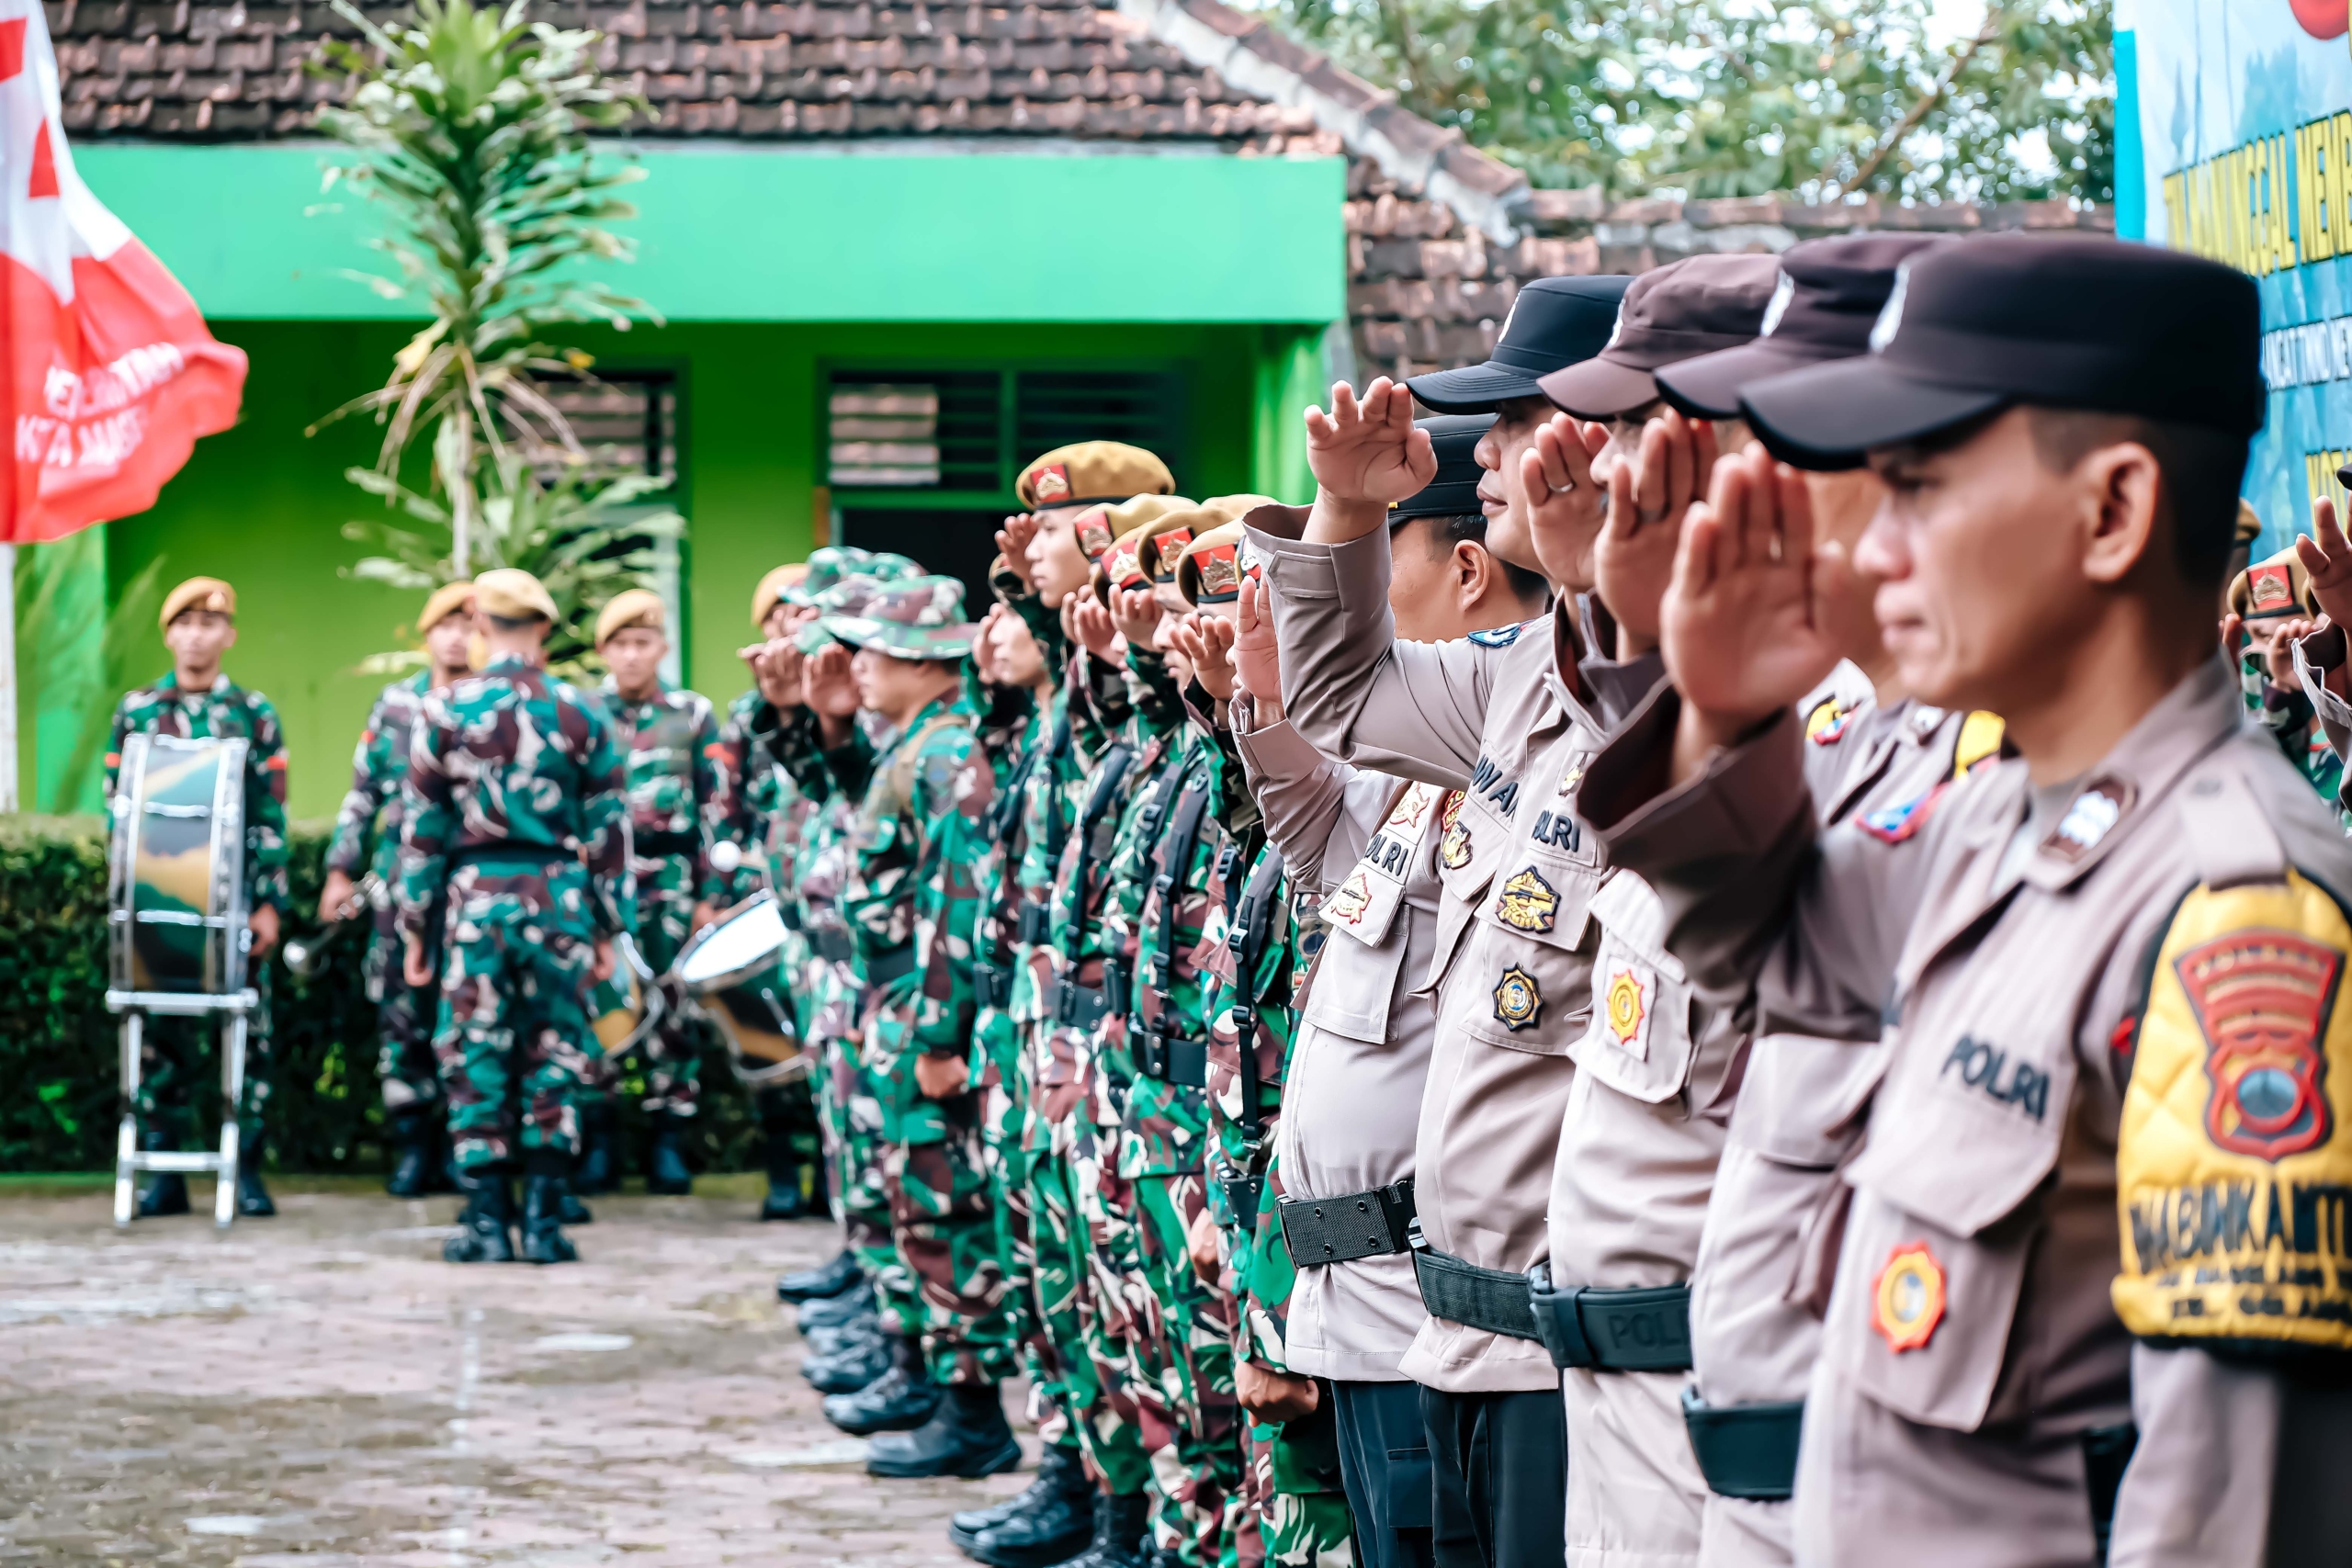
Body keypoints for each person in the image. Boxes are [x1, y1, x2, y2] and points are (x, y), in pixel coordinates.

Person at [1580, 233, 2352, 1564]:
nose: (1872, 549)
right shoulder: (2000, 808)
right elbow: (1768, 962)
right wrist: (1710, 708)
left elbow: (2232, 1511)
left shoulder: (2242, 909)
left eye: (1920, 488)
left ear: (2111, 512)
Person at [1246, 290, 1657, 1565]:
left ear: (1622, 445)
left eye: (1518, 418)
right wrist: (1353, 511)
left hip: (1576, 1342)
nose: (1481, 451)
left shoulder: (1716, 685)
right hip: (1455, 1328)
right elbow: (1338, 696)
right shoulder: (1528, 666)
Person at [1645, 234, 1995, 1568]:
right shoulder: (1863, 734)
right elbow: (1752, 954)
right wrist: (1694, 692)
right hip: (1772, 1454)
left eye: (1802, 442)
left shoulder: (2132, 825)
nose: (1744, 480)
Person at [1227, 417, 1549, 1568]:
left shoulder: (1534, 753)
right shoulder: (1425, 783)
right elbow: (1318, 839)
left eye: (1382, 559)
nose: (1357, 597)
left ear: (1463, 569)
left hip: (1434, 1299)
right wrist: (1261, 710)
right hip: (1356, 1304)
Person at [793, 575, 1027, 1478]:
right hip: (891, 1011)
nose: (855, 665)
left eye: (871, 650)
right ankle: (935, 1383)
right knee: (913, 1200)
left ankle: (970, 1414)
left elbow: (955, 910)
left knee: (943, 1204)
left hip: (919, 1014)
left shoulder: (943, 758)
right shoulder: (912, 745)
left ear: (924, 661)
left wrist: (937, 1034)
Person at [399, 568, 632, 1266]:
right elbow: (609, 828)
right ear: (543, 627)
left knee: (476, 1047)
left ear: (478, 620)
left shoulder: (445, 710)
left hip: (475, 898)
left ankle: (487, 1219)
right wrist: (608, 927)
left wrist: (417, 925)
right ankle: (545, 1220)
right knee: (556, 1045)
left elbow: (422, 832)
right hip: (558, 897)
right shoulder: (581, 711)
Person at [107, 575, 290, 1220]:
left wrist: (268, 903)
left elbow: (271, 813)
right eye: (184, 623)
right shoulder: (136, 713)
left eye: (210, 624)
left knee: (249, 1032)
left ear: (228, 635)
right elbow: (119, 815)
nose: (196, 635)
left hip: (232, 901)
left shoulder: (254, 713)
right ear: (169, 634)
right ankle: (163, 1170)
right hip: (158, 904)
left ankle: (244, 1167)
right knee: (158, 1033)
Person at [323, 580, 477, 1198]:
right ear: (427, 633)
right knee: (403, 1017)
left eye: (471, 623)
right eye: (447, 623)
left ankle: (470, 1147)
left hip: (472, 888)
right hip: (397, 887)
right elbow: (364, 792)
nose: (459, 636)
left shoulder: (494, 703)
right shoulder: (395, 705)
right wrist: (340, 867)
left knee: (471, 1014)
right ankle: (415, 1146)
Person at [593, 588, 729, 1196]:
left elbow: (716, 807)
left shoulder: (691, 714)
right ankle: (598, 1138)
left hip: (670, 880)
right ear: (604, 650)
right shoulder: (583, 713)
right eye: (620, 644)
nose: (631, 656)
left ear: (662, 647)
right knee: (603, 1000)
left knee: (673, 1006)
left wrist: (711, 893)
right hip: (601, 885)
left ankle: (669, 1138)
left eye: (642, 643)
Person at [704, 559, 828, 1220]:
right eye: (782, 613)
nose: (793, 622)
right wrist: (725, 889)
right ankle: (783, 1176)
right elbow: (724, 808)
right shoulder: (749, 716)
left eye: (805, 609)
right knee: (770, 1046)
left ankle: (828, 1189)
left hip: (829, 902)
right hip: (768, 898)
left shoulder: (845, 699)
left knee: (828, 1049)